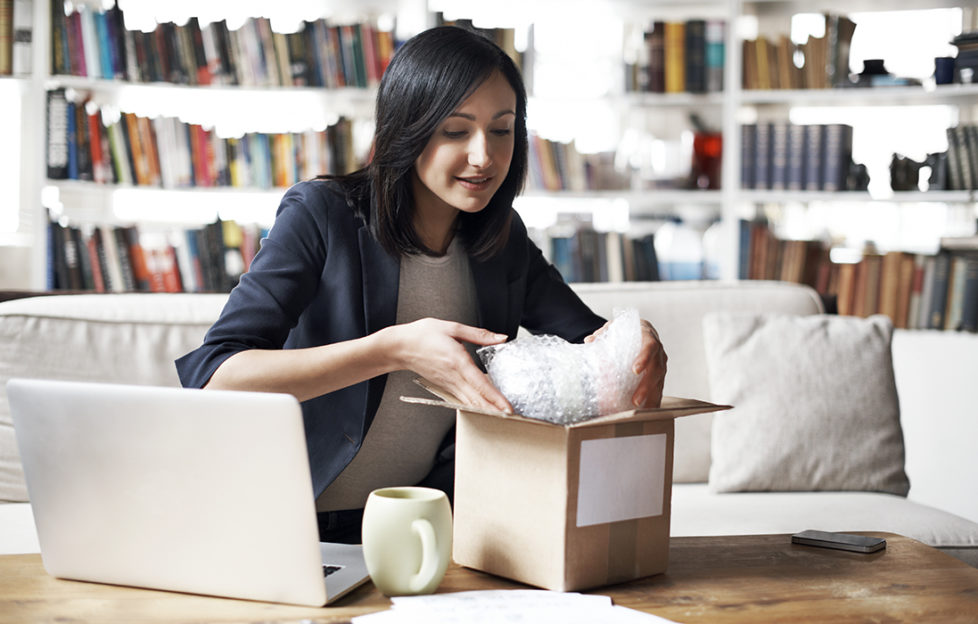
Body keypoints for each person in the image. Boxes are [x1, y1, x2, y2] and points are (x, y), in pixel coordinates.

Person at [175, 25, 667, 543]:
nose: (484, 156)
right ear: (408, 129)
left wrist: (637, 344)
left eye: (501, 130)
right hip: (290, 528)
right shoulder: (322, 215)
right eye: (456, 131)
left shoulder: (502, 240)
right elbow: (214, 377)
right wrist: (393, 350)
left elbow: (591, 341)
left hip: (432, 528)